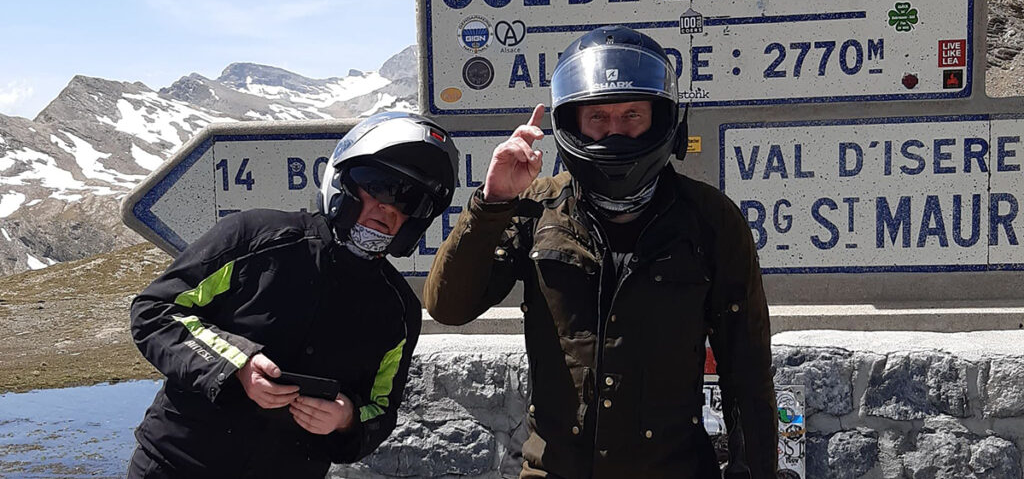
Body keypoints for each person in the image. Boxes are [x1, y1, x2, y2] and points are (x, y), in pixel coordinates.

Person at [425, 26, 777, 478]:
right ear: (572, 123)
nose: (615, 132)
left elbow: (745, 371)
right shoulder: (536, 208)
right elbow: (448, 307)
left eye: (632, 115)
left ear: (664, 119)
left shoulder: (710, 220)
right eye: (598, 118)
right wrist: (492, 205)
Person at [128, 111, 459, 478]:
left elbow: (381, 410)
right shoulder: (254, 238)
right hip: (175, 465)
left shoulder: (399, 310)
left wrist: (346, 417)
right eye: (380, 185)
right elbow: (156, 311)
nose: (391, 208)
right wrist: (236, 365)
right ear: (343, 180)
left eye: (412, 202)